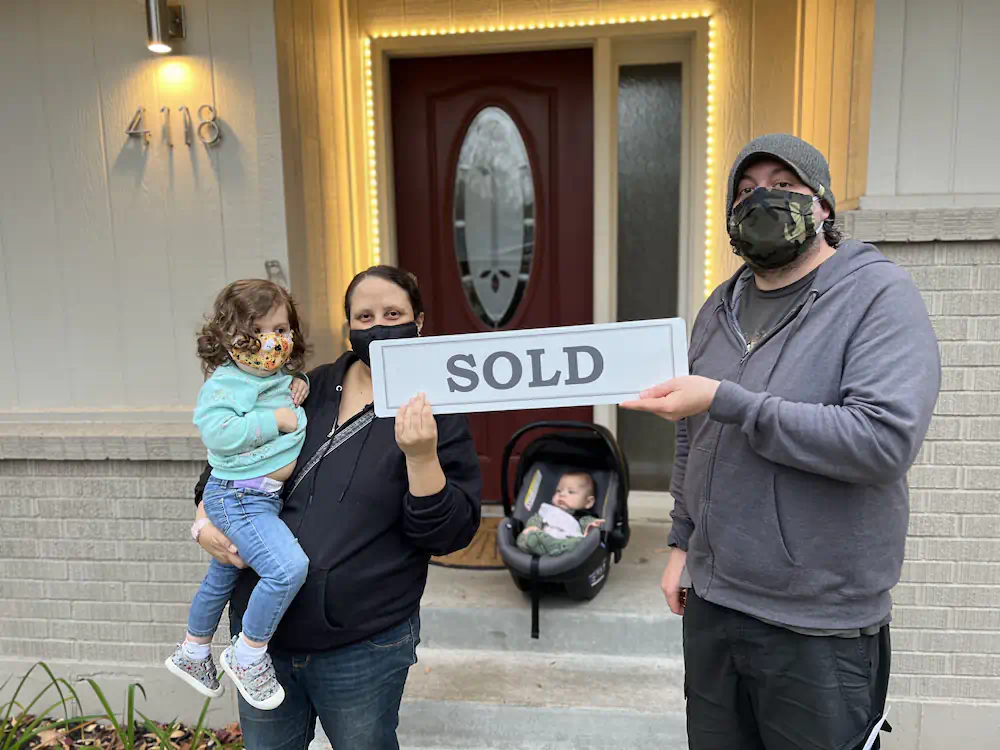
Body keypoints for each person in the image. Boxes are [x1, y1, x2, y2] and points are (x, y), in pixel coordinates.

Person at [623, 133, 941, 750]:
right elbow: (694, 434)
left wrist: (727, 400)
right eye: (746, 190)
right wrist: (683, 541)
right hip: (716, 604)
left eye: (784, 186)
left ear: (822, 206)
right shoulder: (720, 307)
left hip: (818, 623)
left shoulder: (878, 296)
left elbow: (881, 441)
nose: (762, 198)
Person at [190, 266, 482, 750]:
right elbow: (226, 460)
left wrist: (422, 457)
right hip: (262, 645)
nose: (378, 325)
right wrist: (202, 522)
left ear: (419, 321)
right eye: (364, 316)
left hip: (363, 647)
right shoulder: (307, 387)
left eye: (393, 313)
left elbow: (447, 533)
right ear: (348, 327)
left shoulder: (436, 407)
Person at [167, 279, 312, 711]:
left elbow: (281, 384)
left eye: (282, 329)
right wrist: (277, 421)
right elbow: (218, 432)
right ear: (228, 338)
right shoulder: (224, 386)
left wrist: (300, 380)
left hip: (259, 497)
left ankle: (193, 652)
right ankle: (247, 653)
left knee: (221, 576)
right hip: (240, 497)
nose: (273, 341)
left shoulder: (277, 377)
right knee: (288, 569)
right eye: (258, 332)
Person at [516, 471, 605, 556]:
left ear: (588, 502)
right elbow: (536, 519)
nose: (562, 494)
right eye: (558, 490)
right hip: (541, 537)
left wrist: (593, 526)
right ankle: (541, 544)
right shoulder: (548, 510)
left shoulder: (582, 518)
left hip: (565, 544)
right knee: (524, 536)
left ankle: (550, 546)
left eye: (571, 492)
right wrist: (532, 526)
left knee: (579, 543)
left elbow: (589, 526)